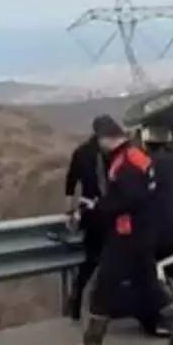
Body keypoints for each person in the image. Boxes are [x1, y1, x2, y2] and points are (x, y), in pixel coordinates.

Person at [59, 116, 173, 345]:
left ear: (104, 138)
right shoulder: (138, 156)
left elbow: (127, 200)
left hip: (128, 235)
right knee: (150, 286)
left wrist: (97, 209)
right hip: (144, 233)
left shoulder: (126, 163)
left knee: (102, 288)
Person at [62, 124, 109, 320]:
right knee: (108, 258)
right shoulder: (109, 154)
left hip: (89, 213)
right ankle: (101, 307)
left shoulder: (80, 152)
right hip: (108, 213)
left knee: (90, 259)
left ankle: (76, 298)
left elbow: (70, 183)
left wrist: (69, 211)